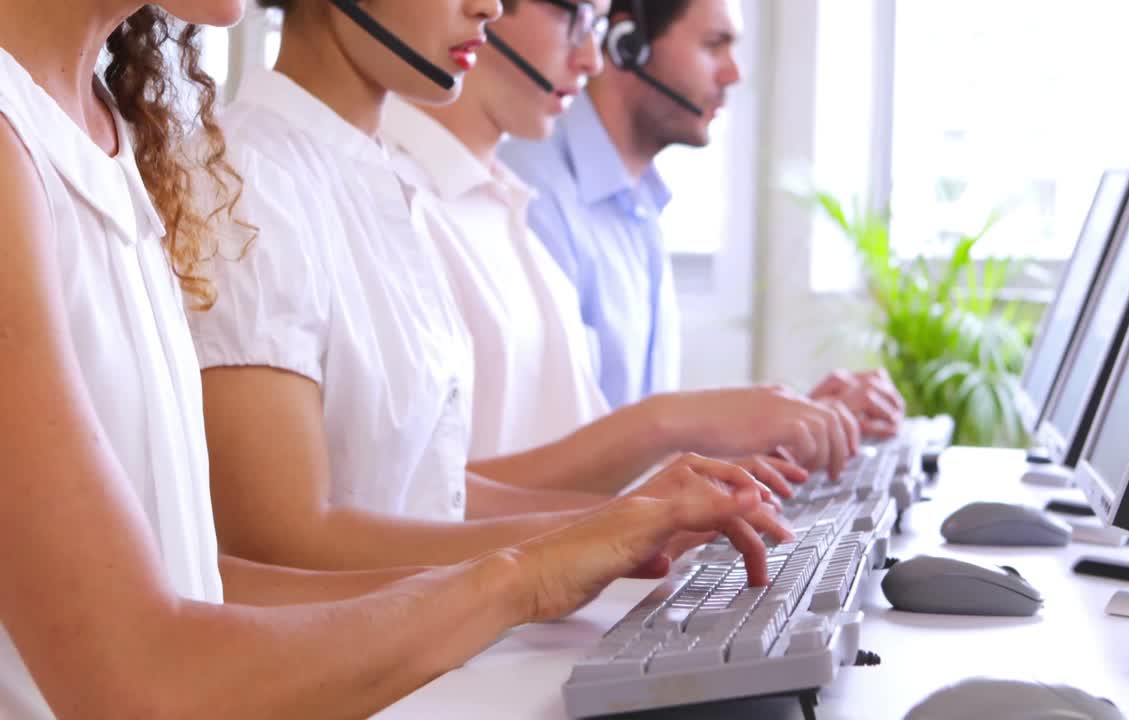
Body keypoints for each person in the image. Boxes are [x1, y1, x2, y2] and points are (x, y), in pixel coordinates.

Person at [0, 1, 797, 716]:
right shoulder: (91, 156)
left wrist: (589, 543)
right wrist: (525, 574)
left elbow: (202, 578)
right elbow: (144, 671)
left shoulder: (119, 135)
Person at [190, 0, 823, 575]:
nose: (489, 7)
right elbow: (278, 542)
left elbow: (431, 494)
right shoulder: (245, 179)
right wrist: (589, 538)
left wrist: (641, 516)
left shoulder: (377, 177)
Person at [379, 0, 860, 497]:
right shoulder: (454, 196)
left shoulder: (507, 198)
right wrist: (671, 431)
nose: (592, 59)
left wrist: (773, 437)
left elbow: (594, 462)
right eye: (713, 44)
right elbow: (423, 499)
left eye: (597, 25)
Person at [500, 0, 906, 436]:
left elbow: (638, 451)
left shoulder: (638, 204)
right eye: (714, 45)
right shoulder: (529, 193)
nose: (734, 73)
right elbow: (553, 460)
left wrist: (792, 424)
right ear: (625, 44)